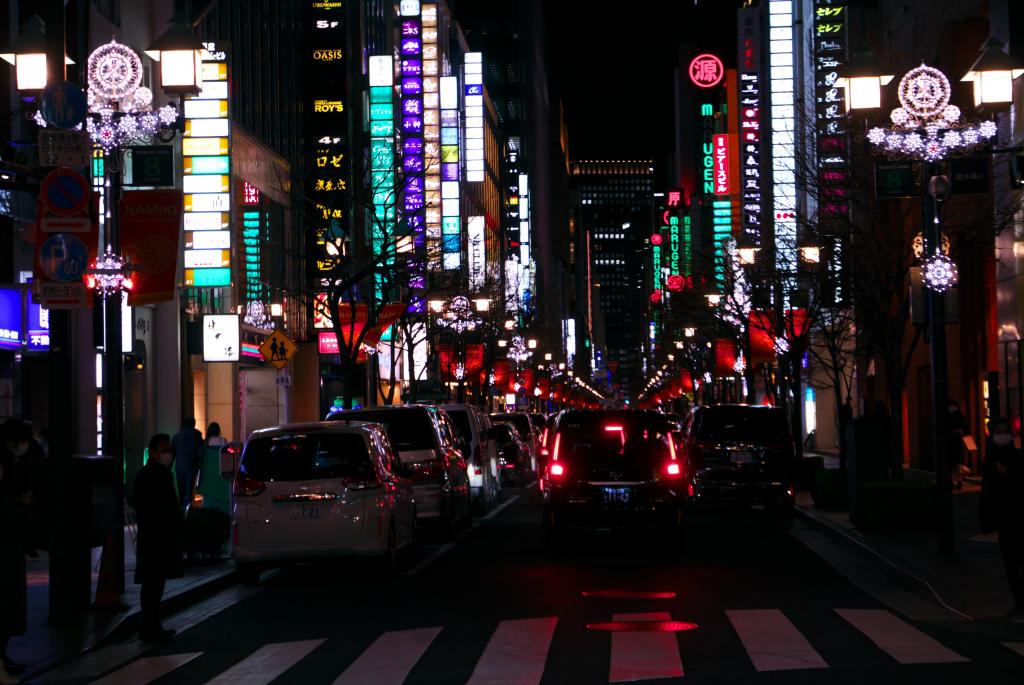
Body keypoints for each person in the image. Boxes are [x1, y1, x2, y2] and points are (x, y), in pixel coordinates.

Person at [132, 434, 183, 642]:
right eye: (164, 450)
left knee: (154, 582)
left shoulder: (153, 473)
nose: (168, 454)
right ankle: (150, 625)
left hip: (153, 535)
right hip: (156, 534)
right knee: (154, 583)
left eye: (169, 450)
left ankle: (151, 625)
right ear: (153, 451)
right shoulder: (154, 475)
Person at [980, 417, 1024, 621]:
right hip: (1005, 518)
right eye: (999, 431)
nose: (1003, 434)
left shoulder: (1017, 458)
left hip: (1018, 516)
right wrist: (987, 520)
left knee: (1017, 560)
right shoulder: (990, 460)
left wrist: (1006, 475)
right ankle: (1020, 602)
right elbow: (987, 491)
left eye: (1005, 430)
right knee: (1010, 563)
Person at [0, 419, 33, 681]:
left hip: (10, 540)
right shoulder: (7, 463)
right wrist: (19, 504)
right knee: (7, 600)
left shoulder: (11, 462)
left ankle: (3, 655)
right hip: (6, 542)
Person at [171, 418, 202, 508]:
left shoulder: (177, 436)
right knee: (188, 492)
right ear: (194, 424)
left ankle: (181, 511)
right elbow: (200, 452)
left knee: (181, 491)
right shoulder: (197, 436)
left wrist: (169, 467)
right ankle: (187, 512)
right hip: (191, 466)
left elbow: (173, 453)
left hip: (179, 467)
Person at [948, 399, 970, 490]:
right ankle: (954, 482)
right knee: (953, 465)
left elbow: (965, 429)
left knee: (958, 464)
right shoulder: (946, 417)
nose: (952, 408)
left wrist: (961, 432)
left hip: (958, 444)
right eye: (950, 405)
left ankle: (959, 481)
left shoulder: (960, 417)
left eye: (953, 405)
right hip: (950, 445)